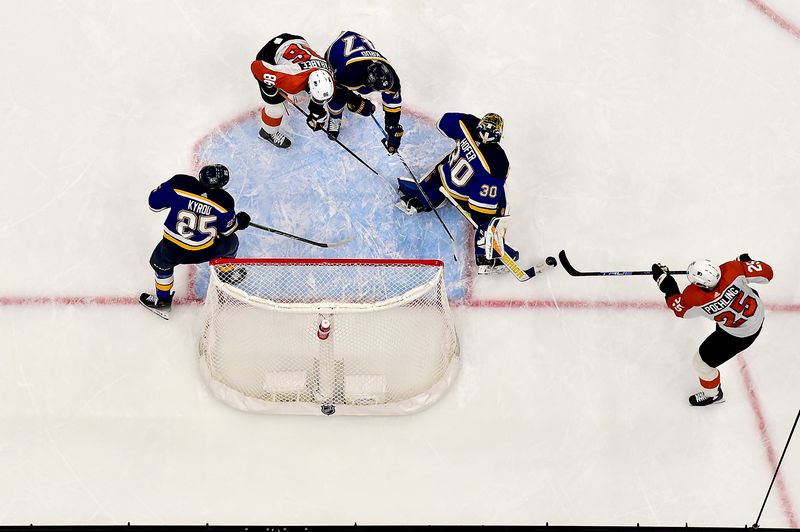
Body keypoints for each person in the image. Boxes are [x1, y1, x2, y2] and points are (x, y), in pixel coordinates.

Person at [395, 111, 517, 274]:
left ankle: (420, 201)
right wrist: (483, 221)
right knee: (498, 206)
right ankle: (487, 255)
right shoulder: (498, 163)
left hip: (444, 177)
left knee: (445, 165)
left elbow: (444, 122)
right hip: (461, 195)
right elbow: (480, 208)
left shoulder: (467, 123)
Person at [652, 254, 773, 406]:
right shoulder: (732, 269)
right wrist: (745, 263)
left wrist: (665, 281)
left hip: (738, 336)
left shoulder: (694, 297)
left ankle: (713, 395)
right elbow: (768, 274)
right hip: (755, 313)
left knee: (701, 364)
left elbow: (678, 308)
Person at [140, 164, 251, 320]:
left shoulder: (180, 183)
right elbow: (227, 230)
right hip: (203, 251)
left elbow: (154, 204)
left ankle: (163, 302)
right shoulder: (224, 201)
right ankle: (226, 275)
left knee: (162, 266)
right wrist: (240, 221)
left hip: (172, 248)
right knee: (231, 242)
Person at [251, 33, 335, 149]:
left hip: (296, 42)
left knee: (297, 91)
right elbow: (256, 67)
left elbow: (318, 97)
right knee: (277, 108)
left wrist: (317, 113)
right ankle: (267, 132)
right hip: (271, 51)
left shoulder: (330, 74)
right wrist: (272, 87)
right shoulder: (291, 80)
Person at [324, 31, 403, 153]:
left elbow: (392, 103)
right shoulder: (349, 75)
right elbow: (337, 90)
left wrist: (392, 126)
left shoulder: (392, 78)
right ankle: (335, 118)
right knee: (337, 99)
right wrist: (355, 100)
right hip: (336, 51)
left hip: (360, 51)